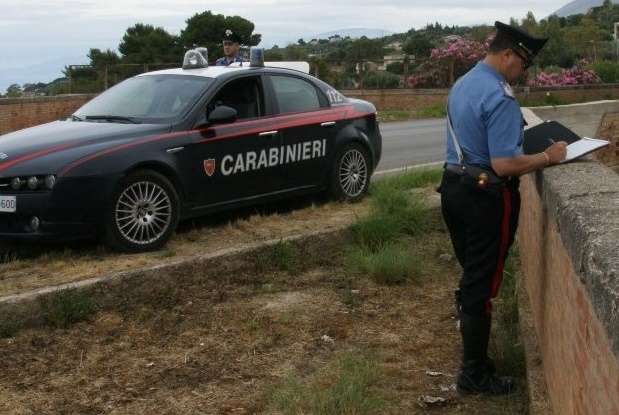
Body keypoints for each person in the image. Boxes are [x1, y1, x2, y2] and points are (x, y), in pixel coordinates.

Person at [439, 21, 568, 395]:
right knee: (482, 283)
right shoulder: (501, 96)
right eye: (523, 64)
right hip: (485, 198)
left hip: (453, 188)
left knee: (472, 274)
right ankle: (474, 374)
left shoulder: (463, 84)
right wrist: (549, 155)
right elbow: (504, 164)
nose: (524, 73)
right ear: (507, 53)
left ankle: (471, 342)